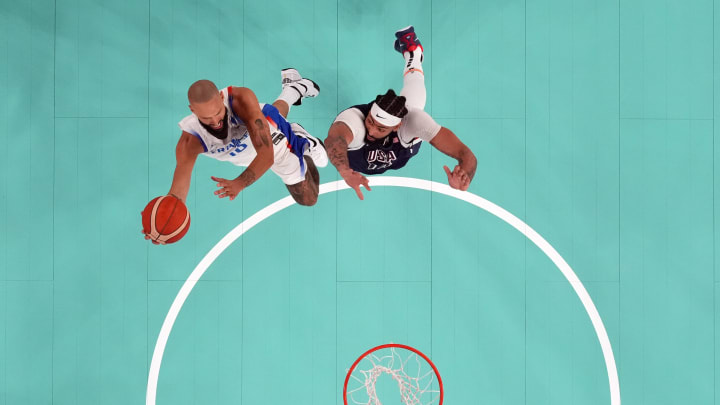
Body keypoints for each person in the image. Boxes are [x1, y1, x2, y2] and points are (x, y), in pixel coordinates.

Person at [144, 69, 327, 244]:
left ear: (221, 98)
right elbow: (177, 194)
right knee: (274, 115)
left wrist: (240, 183)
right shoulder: (190, 141)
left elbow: (266, 156)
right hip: (249, 144)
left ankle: (301, 142)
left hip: (271, 142)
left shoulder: (241, 99)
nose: (215, 122)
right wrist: (161, 223)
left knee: (308, 198)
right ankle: (293, 88)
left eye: (218, 113)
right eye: (207, 118)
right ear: (192, 110)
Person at [325, 26, 477, 200]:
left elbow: (466, 154)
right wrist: (345, 173)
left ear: (396, 125)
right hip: (358, 159)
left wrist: (465, 175)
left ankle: (414, 54)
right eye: (370, 121)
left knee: (415, 102)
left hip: (403, 145)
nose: (372, 131)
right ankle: (413, 52)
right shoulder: (354, 120)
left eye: (381, 128)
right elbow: (334, 141)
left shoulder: (410, 122)